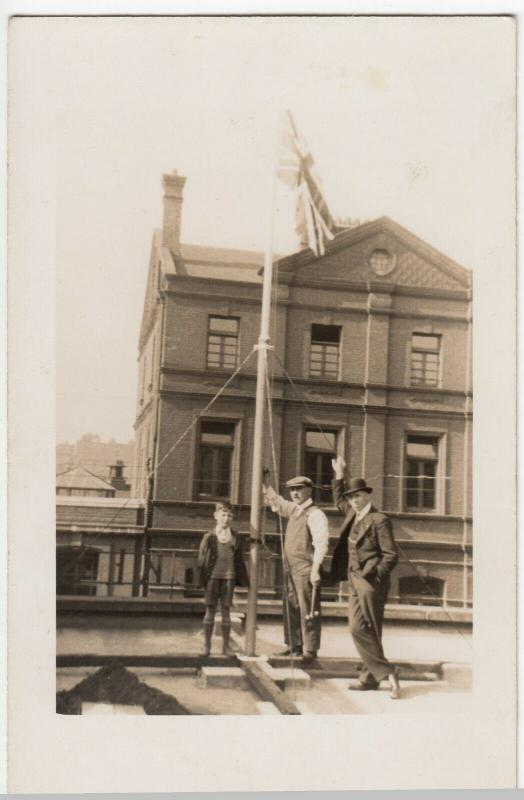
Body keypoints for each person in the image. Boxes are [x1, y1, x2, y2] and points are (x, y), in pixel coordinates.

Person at [330, 455, 401, 699]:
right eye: (351, 497)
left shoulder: (379, 520)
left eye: (358, 496)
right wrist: (339, 475)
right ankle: (386, 672)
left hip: (371, 582)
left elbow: (391, 555)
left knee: (370, 629)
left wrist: (375, 576)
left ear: (367, 496)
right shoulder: (353, 513)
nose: (354, 500)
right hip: (352, 580)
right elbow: (338, 500)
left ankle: (371, 678)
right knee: (356, 628)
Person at [262, 470, 329, 664]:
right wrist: (266, 485)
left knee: (307, 607)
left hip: (305, 568)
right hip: (290, 567)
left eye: (299, 489)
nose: (295, 493)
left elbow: (321, 543)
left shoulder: (316, 514)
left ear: (309, 490)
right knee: (291, 606)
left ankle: (310, 648)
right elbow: (277, 502)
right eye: (292, 490)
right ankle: (294, 645)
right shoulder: (294, 510)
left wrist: (316, 569)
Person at [197, 501, 249, 657]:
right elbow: (201, 560)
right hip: (213, 577)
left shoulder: (235, 536)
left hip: (229, 578)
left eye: (229, 515)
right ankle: (206, 647)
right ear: (216, 516)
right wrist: (203, 579)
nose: (226, 518)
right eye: (223, 515)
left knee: (226, 611)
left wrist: (244, 579)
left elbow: (239, 559)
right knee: (210, 610)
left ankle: (225, 647)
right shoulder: (209, 537)